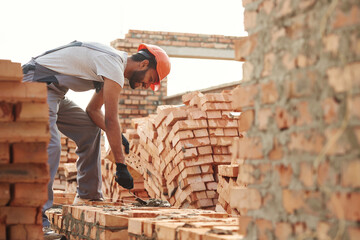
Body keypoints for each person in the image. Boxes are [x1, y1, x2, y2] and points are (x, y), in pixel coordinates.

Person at [22, 41, 171, 234]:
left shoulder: (111, 67)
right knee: (51, 146)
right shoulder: (114, 64)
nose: (146, 85)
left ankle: (87, 196)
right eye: (150, 79)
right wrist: (121, 165)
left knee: (89, 129)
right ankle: (36, 219)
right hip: (36, 81)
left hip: (55, 92)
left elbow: (93, 111)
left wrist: (118, 136)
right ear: (143, 64)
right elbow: (110, 118)